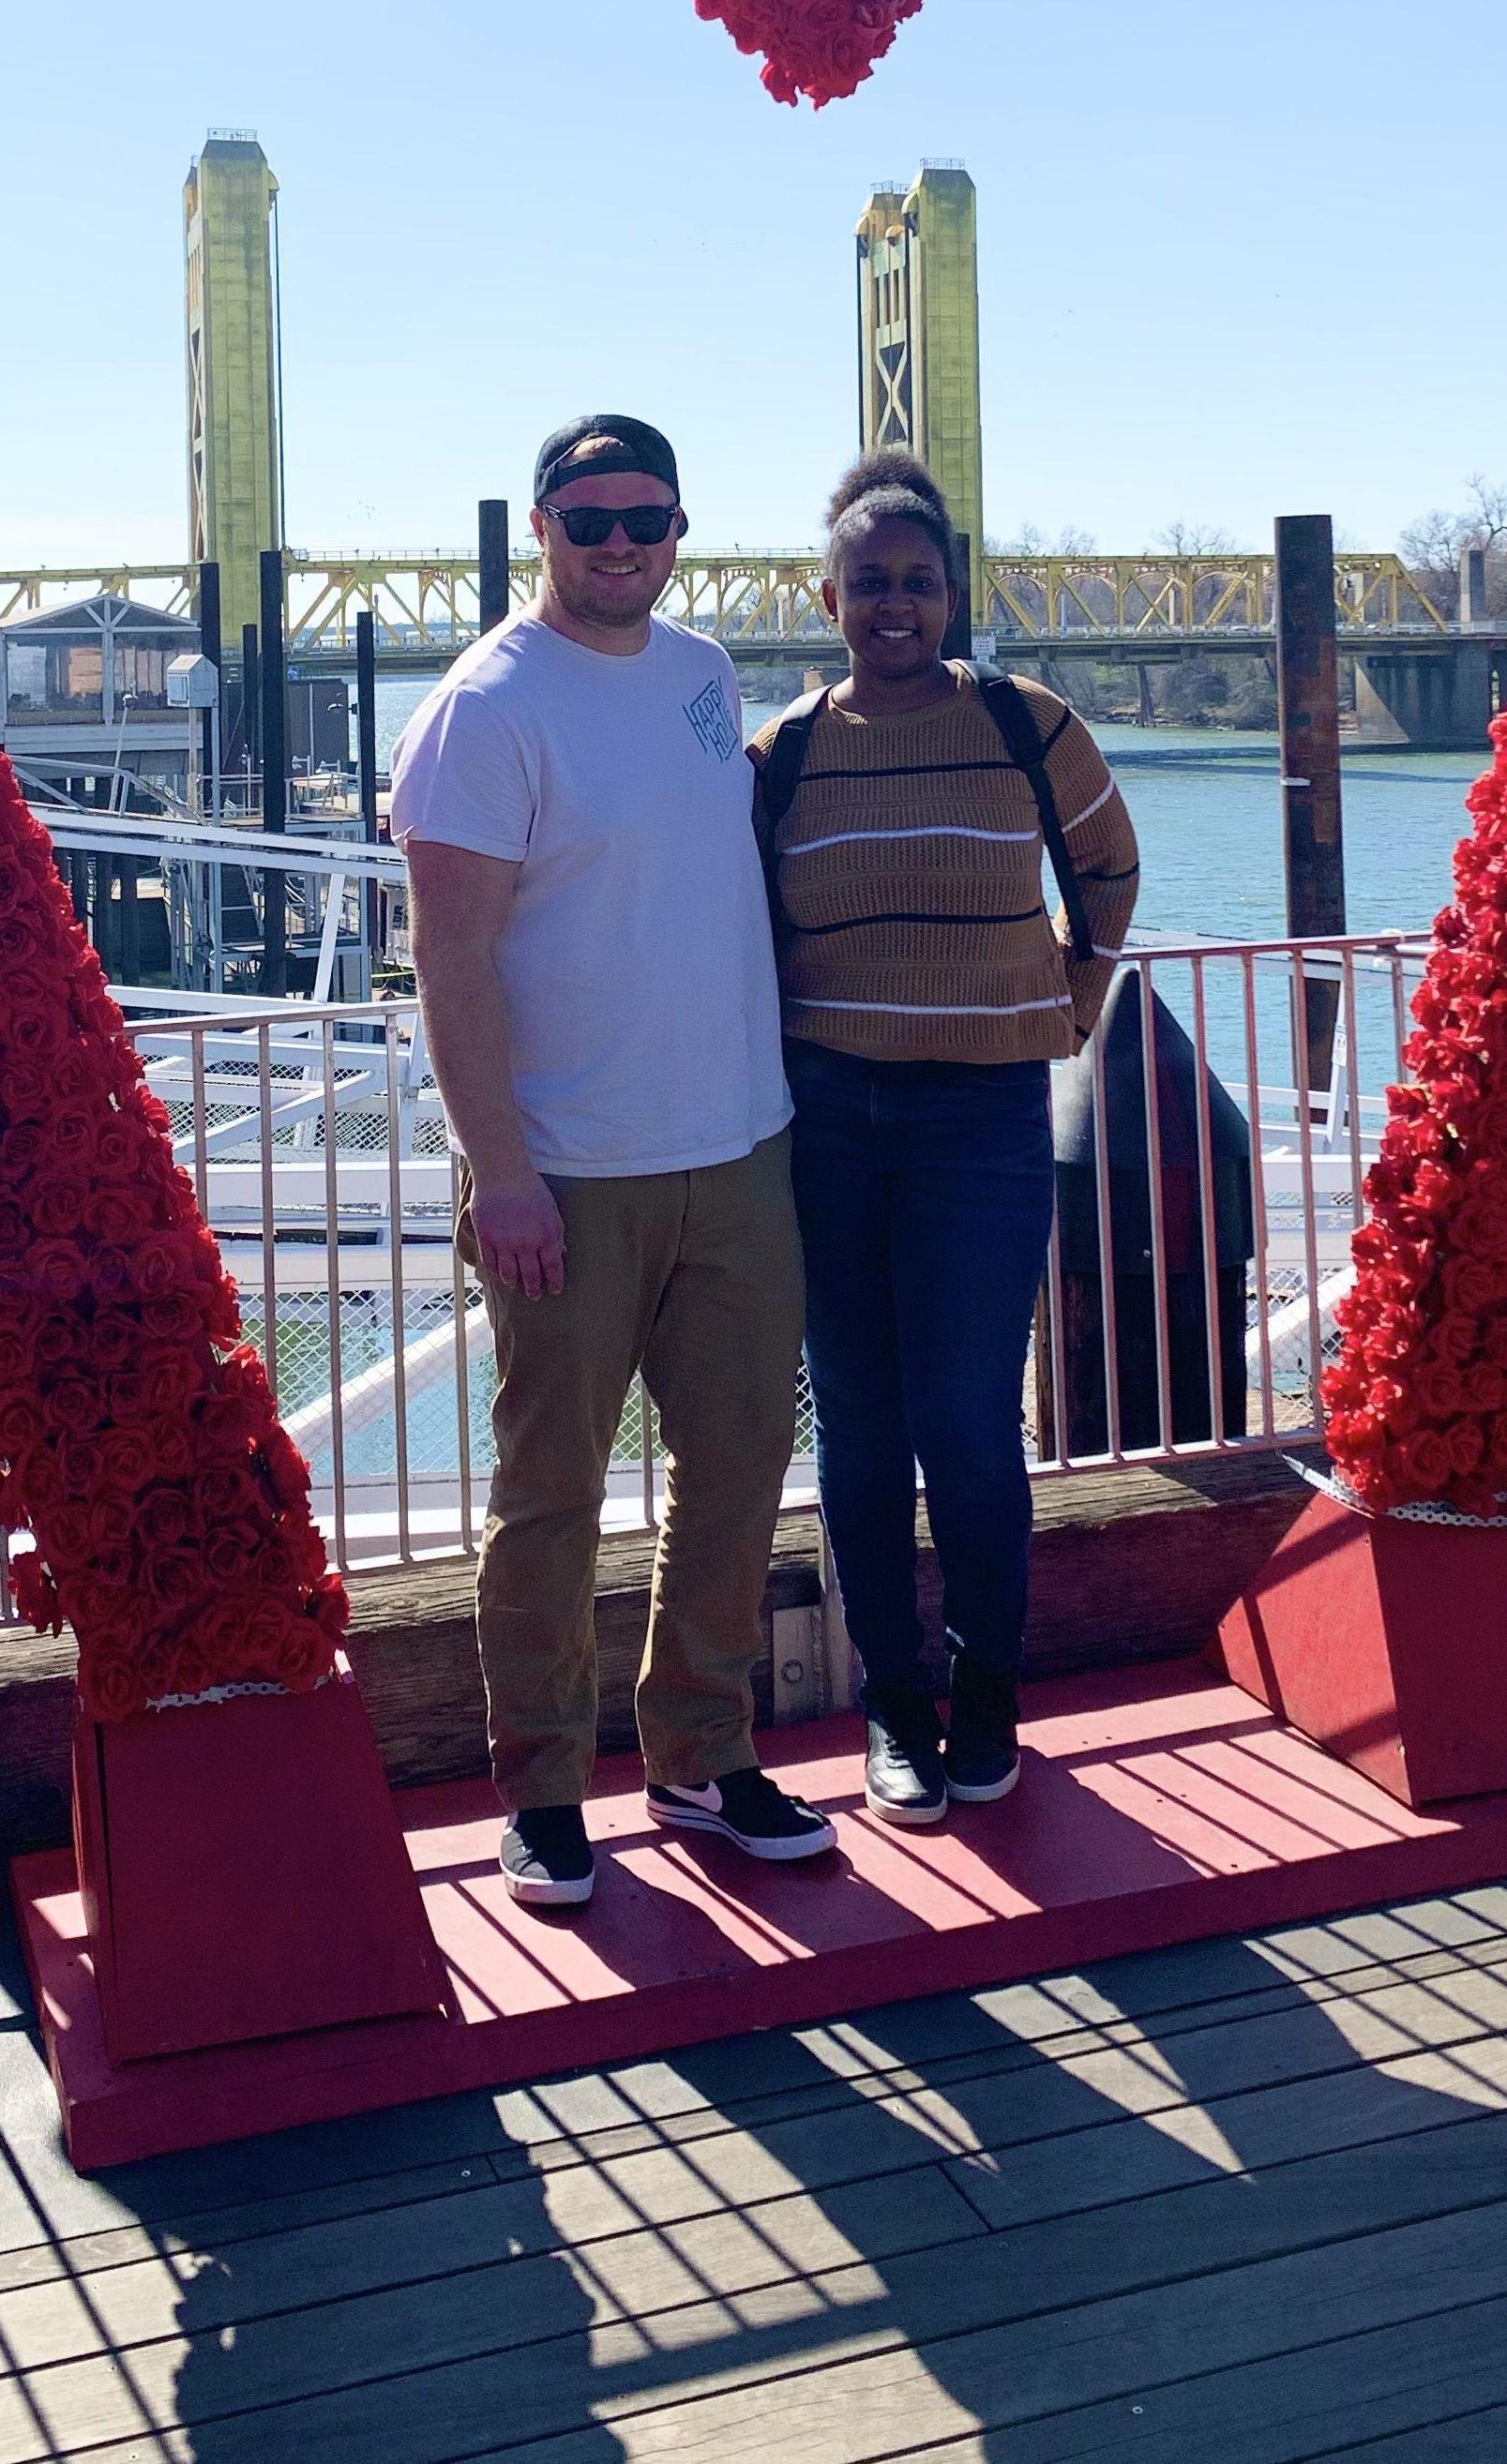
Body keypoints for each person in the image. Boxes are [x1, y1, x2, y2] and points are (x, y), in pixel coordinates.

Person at [391, 413, 838, 1910]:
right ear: (541, 528)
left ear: (677, 531)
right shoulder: (485, 706)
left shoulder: (707, 680)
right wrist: (496, 1167)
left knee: (733, 1471)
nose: (618, 544)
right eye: (588, 519)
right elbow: (446, 957)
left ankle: (701, 1754)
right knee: (549, 1491)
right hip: (569, 1172)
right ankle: (541, 1786)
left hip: (741, 1145)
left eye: (646, 518)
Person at [750, 453, 1141, 1828]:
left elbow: (1107, 864)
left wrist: (1067, 997)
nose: (894, 603)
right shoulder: (784, 750)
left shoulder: (1026, 722)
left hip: (977, 1115)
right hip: (827, 1120)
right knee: (858, 1425)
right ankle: (891, 1708)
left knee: (969, 1420)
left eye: (918, 580)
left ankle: (987, 1691)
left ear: (951, 592)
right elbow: (732, 925)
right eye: (870, 582)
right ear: (829, 596)